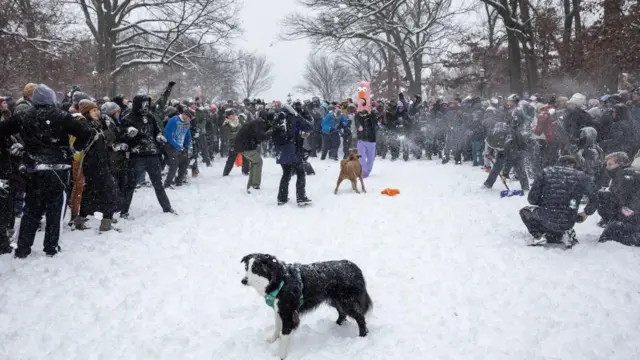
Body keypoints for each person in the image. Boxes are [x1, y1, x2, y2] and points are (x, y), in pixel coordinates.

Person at [0, 84, 93, 258]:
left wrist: (15, 146)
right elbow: (87, 133)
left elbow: (3, 130)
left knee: (31, 209)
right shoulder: (62, 116)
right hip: (58, 168)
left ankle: (23, 248)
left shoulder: (24, 116)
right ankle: (51, 247)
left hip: (34, 168)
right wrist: (74, 150)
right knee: (55, 209)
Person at [519, 155, 596, 249]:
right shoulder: (582, 177)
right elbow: (595, 197)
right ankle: (565, 232)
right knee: (560, 223)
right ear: (574, 165)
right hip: (569, 219)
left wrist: (545, 203)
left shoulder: (545, 172)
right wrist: (586, 212)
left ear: (558, 163)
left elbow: (532, 199)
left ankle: (538, 236)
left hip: (546, 216)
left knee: (524, 211)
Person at [119, 95, 176, 218]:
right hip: (136, 155)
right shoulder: (129, 118)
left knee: (158, 184)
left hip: (152, 154)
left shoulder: (150, 117)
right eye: (143, 103)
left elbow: (156, 130)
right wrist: (129, 133)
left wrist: (159, 136)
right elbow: (121, 136)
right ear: (137, 104)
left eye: (147, 103)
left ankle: (167, 207)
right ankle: (124, 211)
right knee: (131, 185)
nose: (145, 106)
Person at [77, 100, 120, 232]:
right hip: (95, 164)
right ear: (86, 112)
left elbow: (109, 140)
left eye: (97, 110)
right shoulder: (85, 126)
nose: (97, 112)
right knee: (109, 191)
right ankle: (106, 222)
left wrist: (107, 128)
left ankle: (80, 219)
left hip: (99, 163)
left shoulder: (97, 124)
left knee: (91, 192)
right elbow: (81, 144)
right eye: (94, 110)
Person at [595, 153, 640, 247]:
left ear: (620, 164)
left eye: (610, 164)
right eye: (606, 164)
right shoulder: (624, 175)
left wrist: (603, 196)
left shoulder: (624, 177)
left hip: (629, 221)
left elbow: (618, 202)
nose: (607, 167)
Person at [273, 104, 313, 206]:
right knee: (300, 172)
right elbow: (309, 127)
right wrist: (298, 115)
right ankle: (301, 197)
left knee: (286, 173)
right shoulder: (294, 117)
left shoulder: (278, 117)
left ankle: (282, 198)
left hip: (280, 151)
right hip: (292, 150)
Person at [235, 114, 271, 192]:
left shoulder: (256, 123)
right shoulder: (257, 124)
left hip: (243, 146)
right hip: (245, 147)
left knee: (254, 163)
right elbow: (260, 137)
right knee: (258, 162)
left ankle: (251, 185)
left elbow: (259, 134)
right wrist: (270, 133)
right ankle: (255, 185)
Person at [163, 104, 193, 188]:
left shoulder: (187, 122)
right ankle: (167, 184)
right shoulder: (174, 120)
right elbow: (168, 136)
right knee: (174, 163)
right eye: (189, 118)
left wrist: (189, 146)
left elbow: (188, 135)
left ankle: (179, 181)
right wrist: (179, 147)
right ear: (184, 115)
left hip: (180, 145)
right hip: (170, 144)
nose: (190, 121)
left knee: (186, 161)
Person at [354, 81, 378, 178]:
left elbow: (375, 123)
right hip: (361, 139)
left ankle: (367, 171)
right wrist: (360, 125)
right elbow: (357, 123)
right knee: (361, 157)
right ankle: (364, 172)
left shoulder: (372, 114)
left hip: (371, 140)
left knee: (371, 159)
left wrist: (371, 114)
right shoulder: (358, 116)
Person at [222, 108, 249, 176]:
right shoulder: (226, 124)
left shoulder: (239, 119)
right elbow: (229, 135)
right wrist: (239, 133)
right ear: (228, 116)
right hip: (233, 144)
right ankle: (225, 173)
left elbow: (245, 127)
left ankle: (245, 172)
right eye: (231, 114)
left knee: (245, 157)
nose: (233, 115)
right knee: (231, 159)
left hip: (242, 142)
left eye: (234, 114)